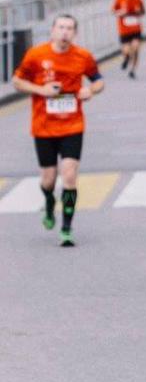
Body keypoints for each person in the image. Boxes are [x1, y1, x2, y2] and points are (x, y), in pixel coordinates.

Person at [11, 15, 105, 247]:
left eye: (69, 28)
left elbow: (98, 80)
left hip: (73, 125)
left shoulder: (83, 56)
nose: (64, 32)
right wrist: (41, 90)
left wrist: (91, 90)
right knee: (48, 179)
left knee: (70, 175)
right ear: (52, 30)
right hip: (43, 126)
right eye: (61, 27)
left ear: (75, 33)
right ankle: (49, 202)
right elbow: (17, 81)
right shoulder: (36, 55)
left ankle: (66, 227)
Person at [112, 0, 145, 78]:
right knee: (126, 50)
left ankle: (132, 70)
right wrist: (121, 12)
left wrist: (138, 12)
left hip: (136, 29)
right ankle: (126, 58)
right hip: (124, 30)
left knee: (135, 48)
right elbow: (114, 11)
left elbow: (143, 12)